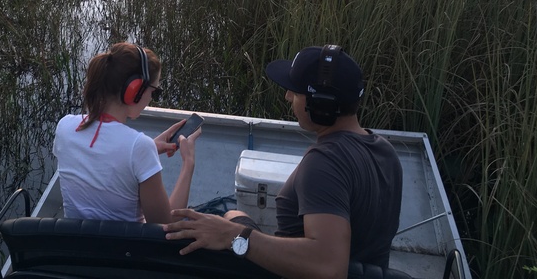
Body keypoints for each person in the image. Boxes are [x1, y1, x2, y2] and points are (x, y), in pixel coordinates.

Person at [164, 45, 403, 279]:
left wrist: (236, 237)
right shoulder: (385, 150)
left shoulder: (324, 162)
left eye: (296, 91)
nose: (288, 96)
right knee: (233, 214)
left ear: (321, 105)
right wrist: (234, 228)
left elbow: (329, 267)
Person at [53, 42, 201, 224]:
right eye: (154, 91)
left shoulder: (65, 127)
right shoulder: (139, 147)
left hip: (75, 246)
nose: (151, 99)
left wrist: (151, 148)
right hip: (125, 252)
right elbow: (166, 226)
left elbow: (99, 157)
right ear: (134, 92)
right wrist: (188, 163)